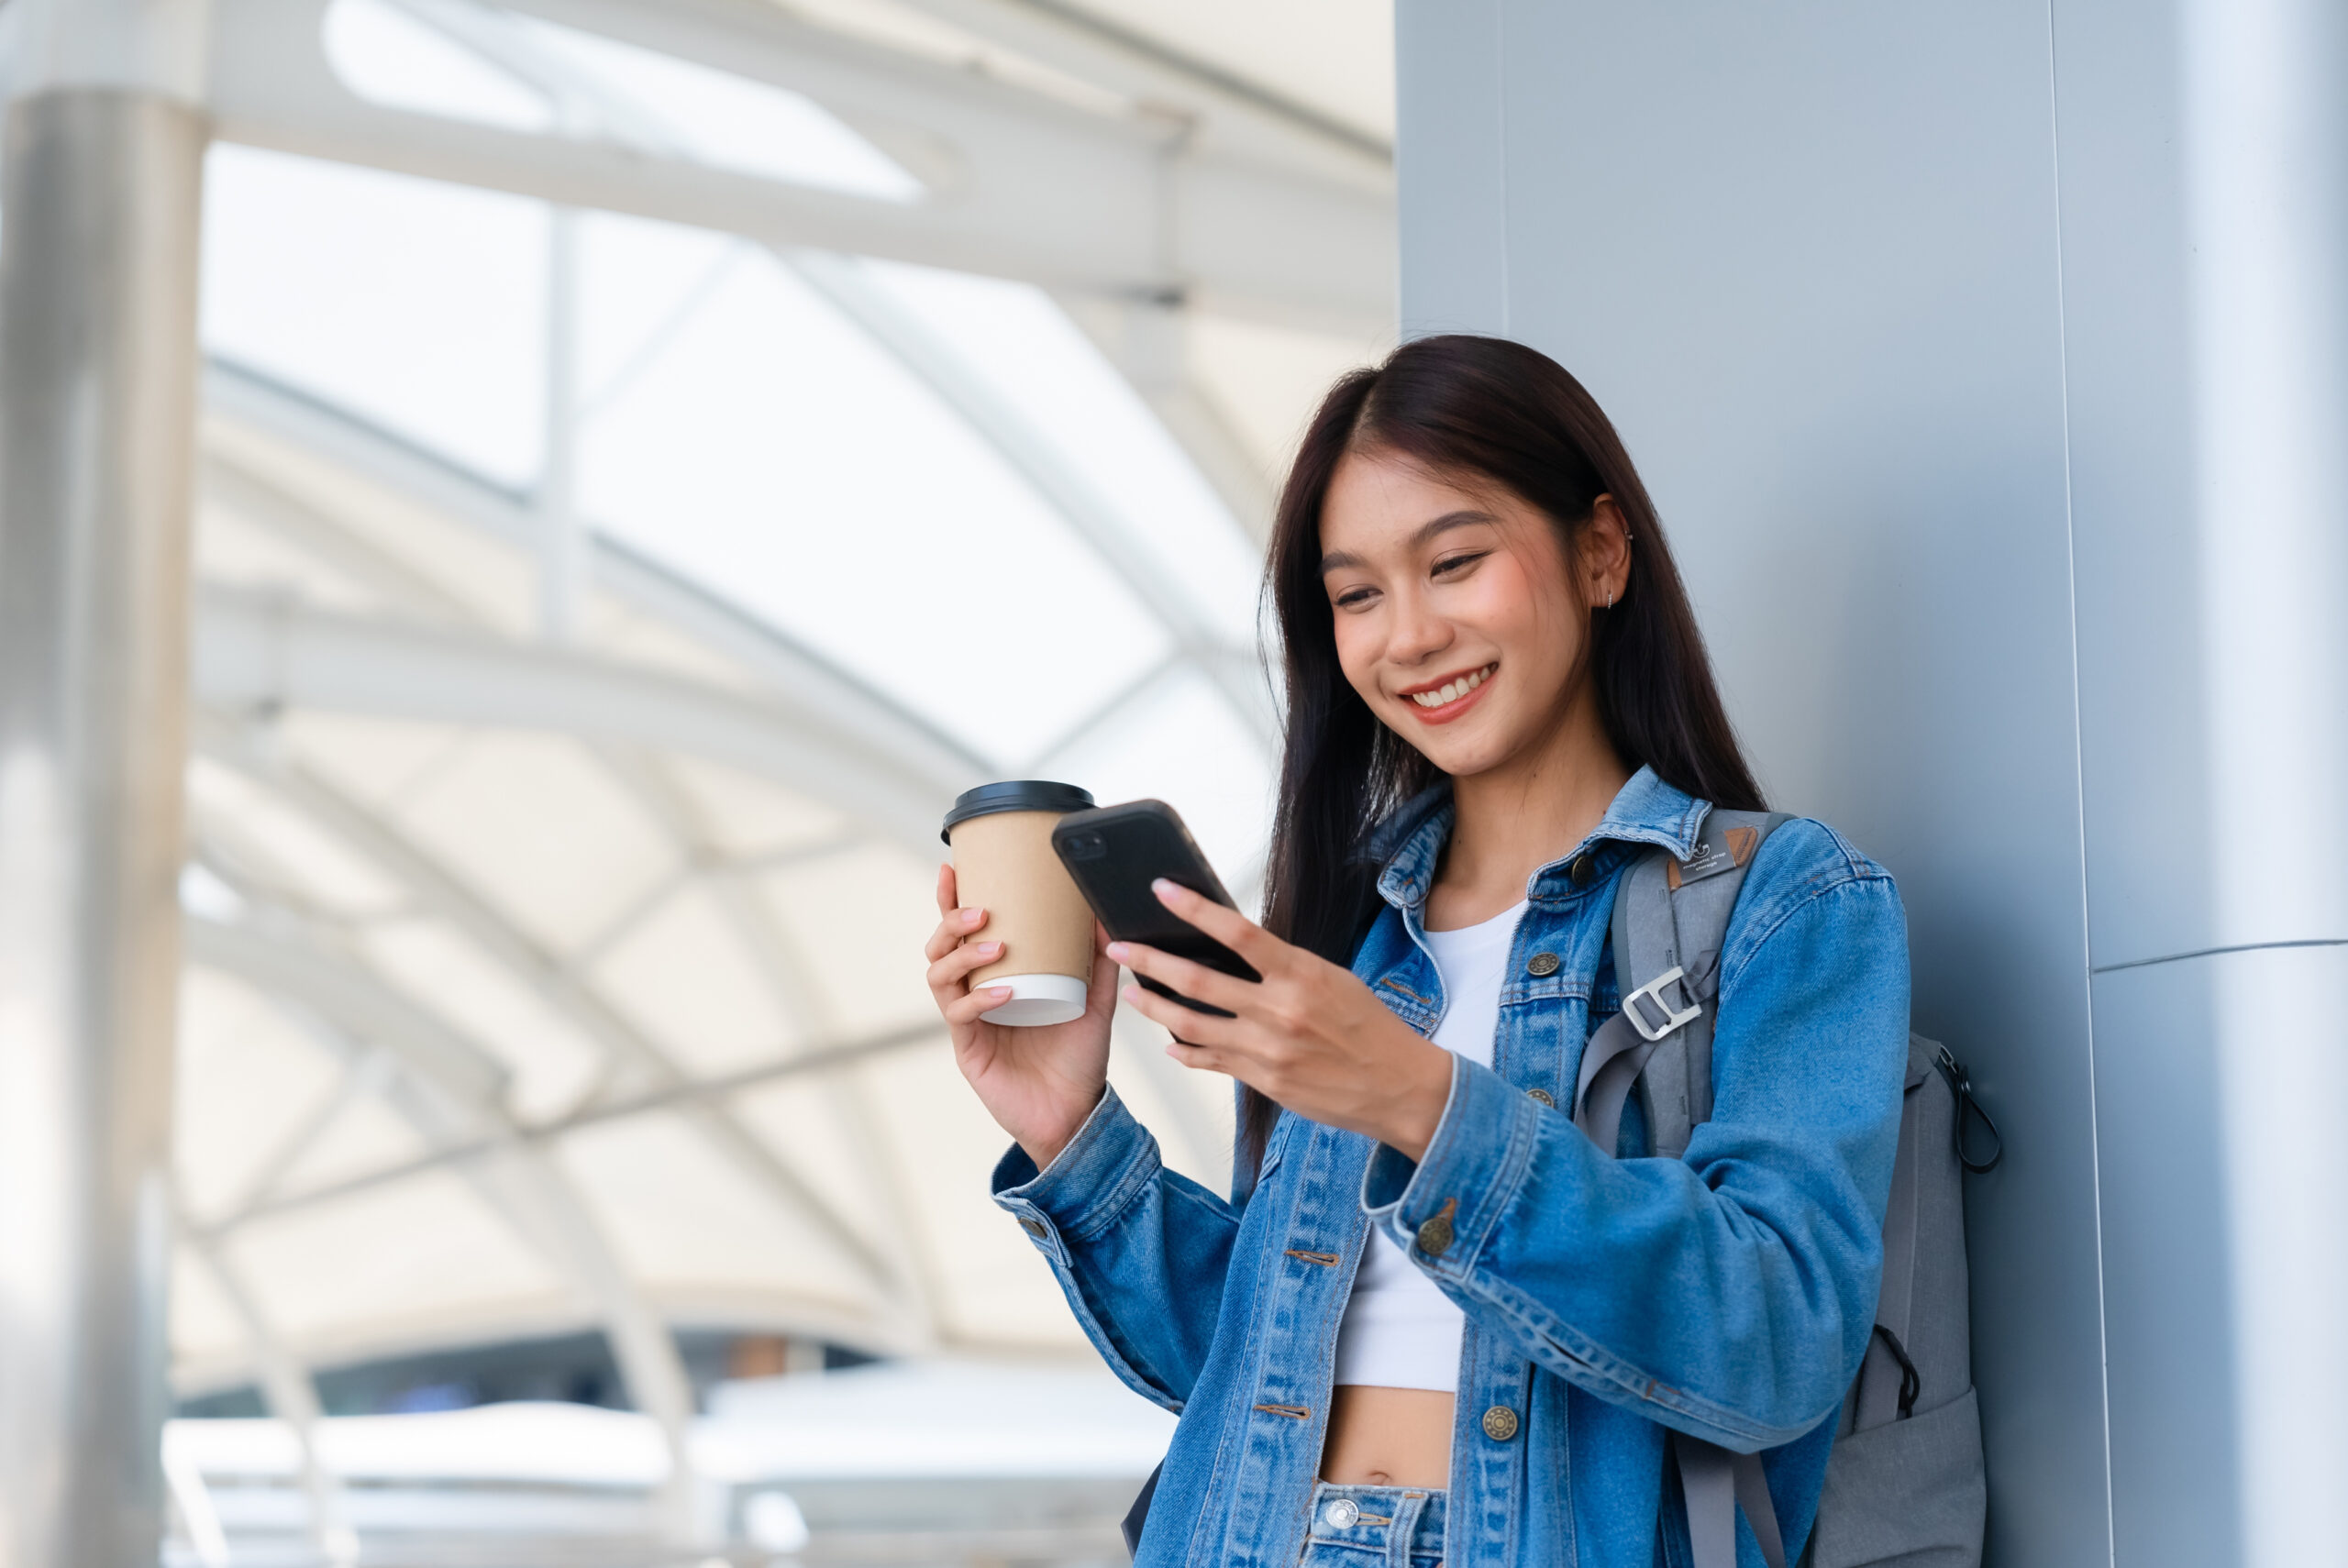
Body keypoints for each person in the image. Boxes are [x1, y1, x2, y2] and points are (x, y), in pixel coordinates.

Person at [921, 335, 1910, 1568]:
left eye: (1454, 562)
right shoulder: (1349, 936)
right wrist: (1071, 1131)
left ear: (1601, 550)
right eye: (1356, 594)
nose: (1409, 634)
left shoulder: (1785, 903)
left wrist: (1418, 1098)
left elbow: (1777, 1334)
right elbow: (1247, 1367)